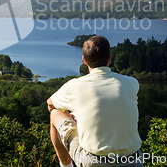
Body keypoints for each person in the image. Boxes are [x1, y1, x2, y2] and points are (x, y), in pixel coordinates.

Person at [47, 36, 143, 167]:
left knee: (55, 113)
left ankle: (66, 165)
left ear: (84, 61)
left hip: (94, 162)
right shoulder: (132, 83)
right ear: (109, 59)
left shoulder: (75, 86)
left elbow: (50, 103)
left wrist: (75, 117)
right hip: (133, 161)